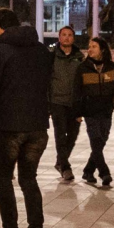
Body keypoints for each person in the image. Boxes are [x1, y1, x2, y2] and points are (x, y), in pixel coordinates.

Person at [0, 8, 52, 228]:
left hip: (9, 125)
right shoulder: (41, 50)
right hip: (37, 126)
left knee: (3, 179)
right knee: (29, 179)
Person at [75, 36, 114, 187]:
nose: (90, 49)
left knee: (101, 141)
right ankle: (104, 172)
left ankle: (88, 171)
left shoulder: (113, 67)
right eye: (89, 46)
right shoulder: (82, 68)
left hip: (106, 110)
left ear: (102, 49)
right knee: (96, 140)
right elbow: (76, 91)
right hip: (90, 111)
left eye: (94, 46)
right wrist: (77, 112)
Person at [48, 26, 84, 182]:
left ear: (73, 38)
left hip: (75, 102)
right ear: (59, 37)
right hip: (57, 101)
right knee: (61, 134)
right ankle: (65, 167)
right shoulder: (51, 56)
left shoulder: (80, 57)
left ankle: (60, 161)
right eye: (64, 35)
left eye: (70, 35)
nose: (67, 37)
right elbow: (46, 80)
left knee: (73, 134)